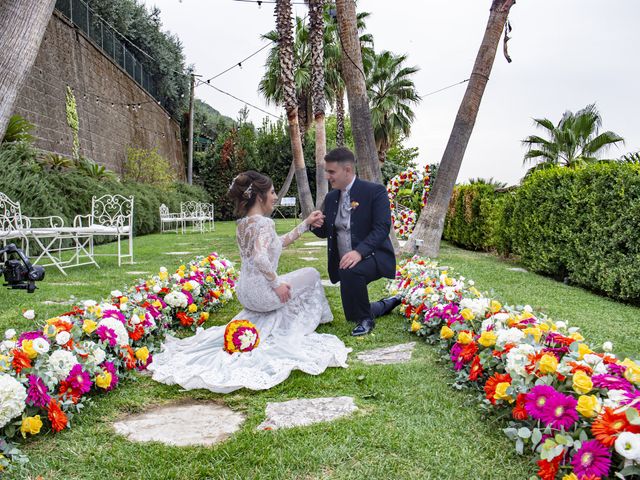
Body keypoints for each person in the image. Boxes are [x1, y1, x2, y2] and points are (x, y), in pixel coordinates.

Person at [149, 171, 351, 393]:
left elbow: (278, 244)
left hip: (245, 293)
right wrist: (277, 285)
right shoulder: (264, 224)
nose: (275, 197)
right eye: (272, 192)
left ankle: (286, 311)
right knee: (312, 273)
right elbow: (260, 257)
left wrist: (305, 224)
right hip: (264, 294)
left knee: (294, 279)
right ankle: (317, 320)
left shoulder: (243, 224)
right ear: (259, 196)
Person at [311, 147, 401, 336]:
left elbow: (382, 228)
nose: (328, 176)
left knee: (350, 271)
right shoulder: (331, 197)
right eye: (327, 171)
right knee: (351, 314)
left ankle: (366, 321)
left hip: (374, 256)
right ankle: (388, 303)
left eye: (331, 172)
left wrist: (359, 252)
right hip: (345, 263)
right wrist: (315, 224)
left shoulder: (375, 192)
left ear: (348, 170)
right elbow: (326, 231)